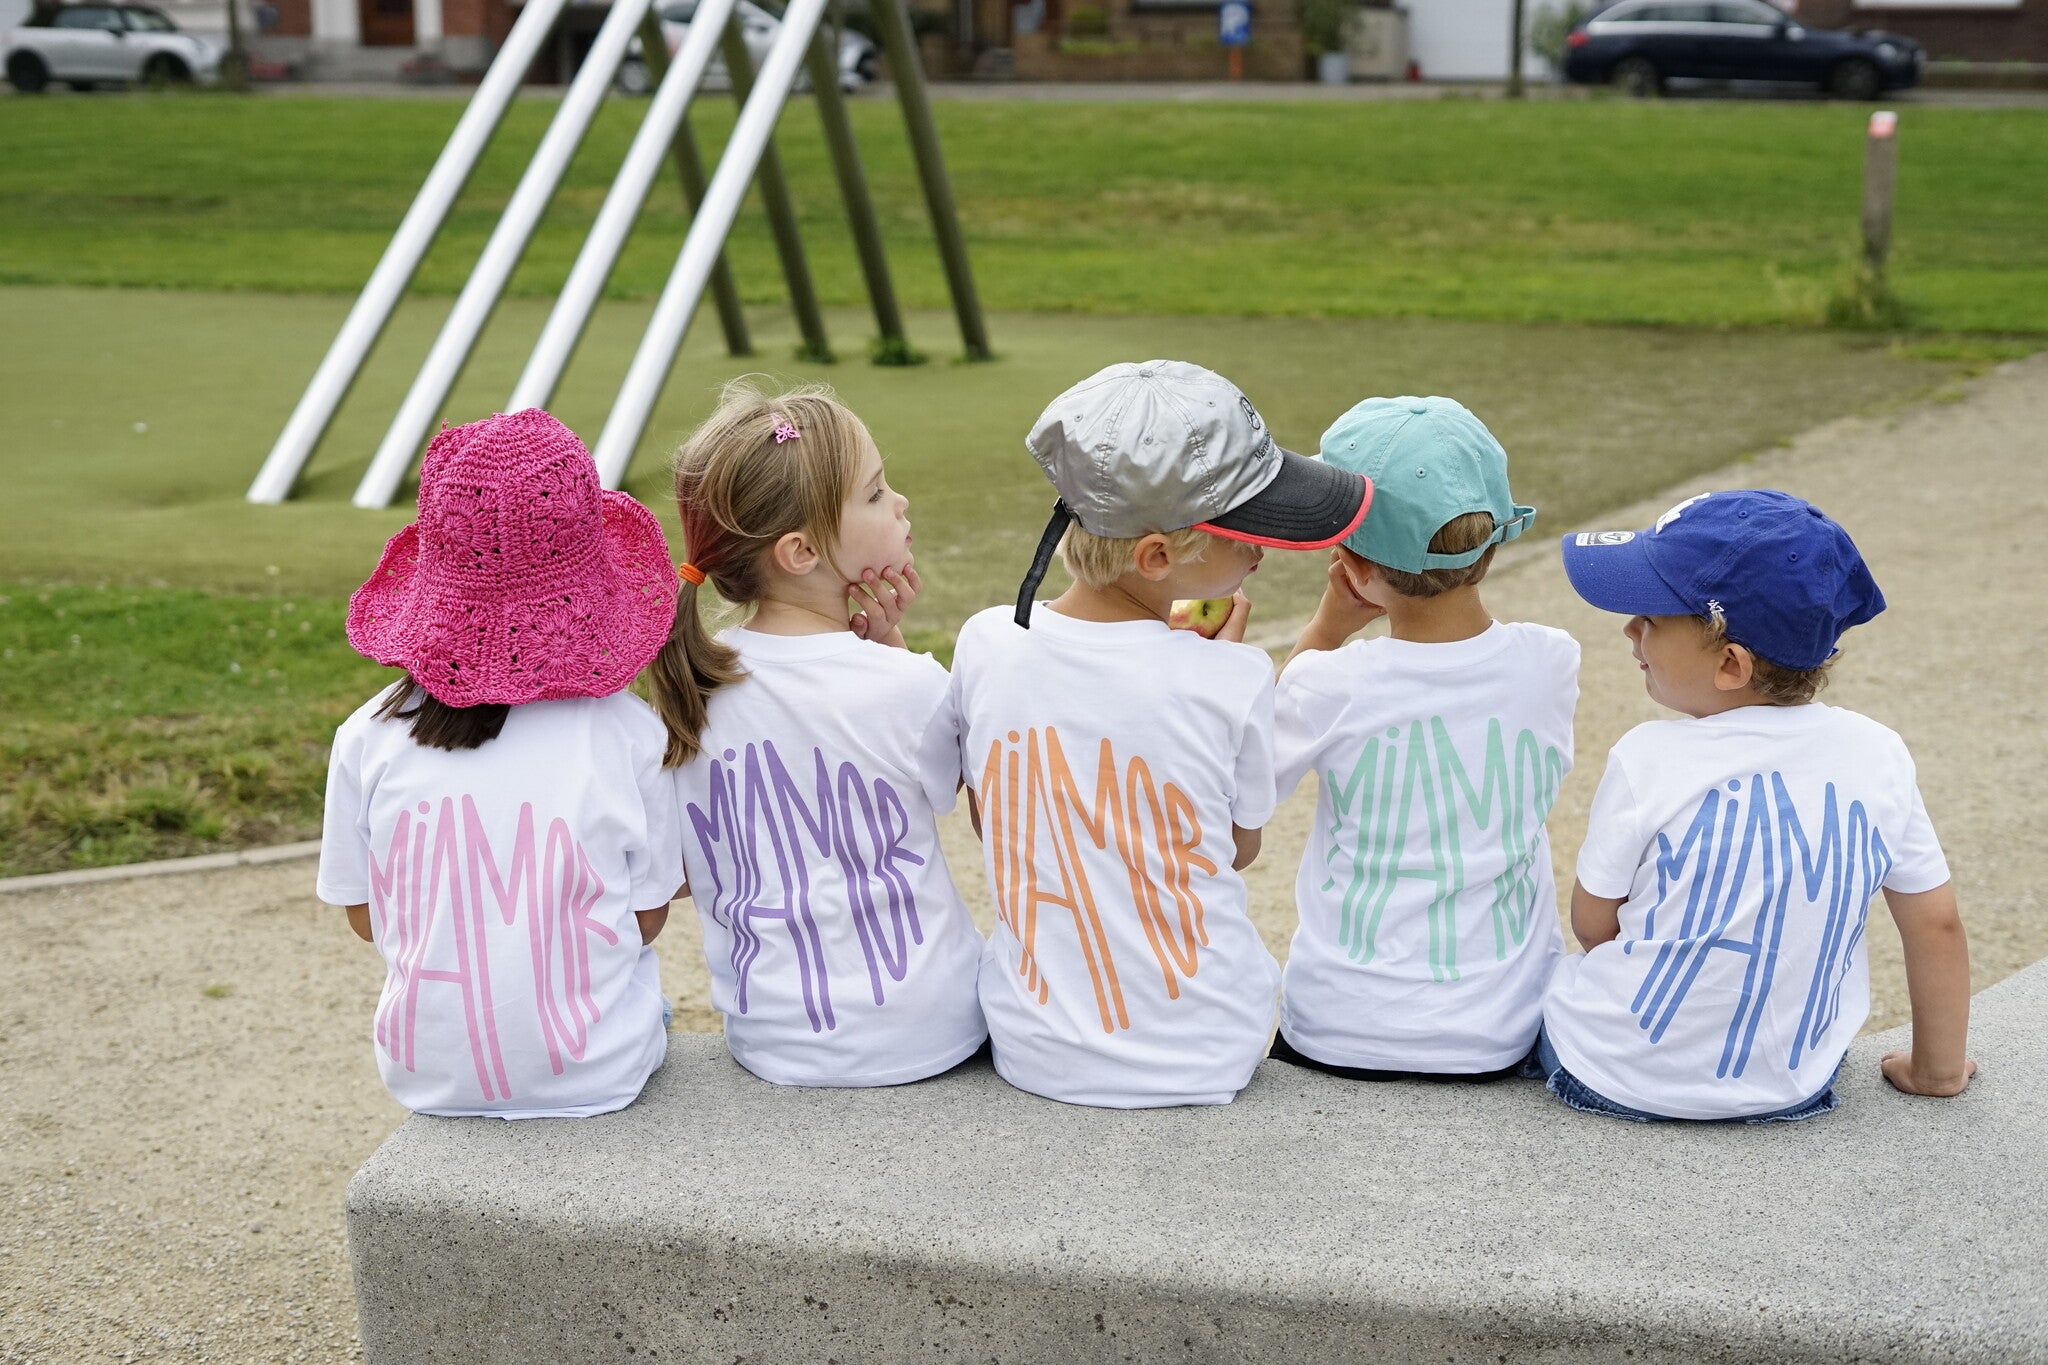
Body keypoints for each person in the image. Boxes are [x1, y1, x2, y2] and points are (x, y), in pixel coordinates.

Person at [950, 359, 1373, 1108]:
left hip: (1034, 1050)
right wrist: (1204, 673)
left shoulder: (986, 642)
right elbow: (1235, 848)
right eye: (1245, 532)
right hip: (1209, 1049)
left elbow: (998, 820)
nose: (1262, 551)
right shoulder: (1232, 676)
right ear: (1155, 557)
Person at [1541, 489, 1976, 1121]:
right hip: (1791, 1087)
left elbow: (1592, 926)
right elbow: (1935, 923)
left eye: (1652, 619)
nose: (1629, 629)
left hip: (1608, 1074)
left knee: (1545, 980)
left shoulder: (1648, 757)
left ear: (1729, 663)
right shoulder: (1877, 753)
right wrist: (1936, 1072)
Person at [316, 409, 684, 1119]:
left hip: (427, 1078)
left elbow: (366, 918)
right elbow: (647, 917)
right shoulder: (628, 735)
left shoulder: (366, 736)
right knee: (643, 988)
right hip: (600, 1074)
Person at [646, 380, 986, 1088]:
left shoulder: (692, 690)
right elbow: (962, 788)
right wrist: (890, 639)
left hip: (773, 1044)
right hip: (934, 1032)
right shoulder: (908, 686)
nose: (900, 503)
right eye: (874, 492)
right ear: (799, 551)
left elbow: (679, 875)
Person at [1270, 397, 1575, 1082]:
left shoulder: (1329, 679)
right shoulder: (1551, 662)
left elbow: (1250, 781)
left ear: (1348, 563)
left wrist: (1323, 630)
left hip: (1335, 1029)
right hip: (1494, 1031)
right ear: (1495, 540)